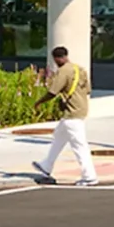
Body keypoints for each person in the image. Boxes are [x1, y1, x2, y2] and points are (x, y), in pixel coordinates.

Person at [32, 46, 98, 187]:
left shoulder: (63, 71)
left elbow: (52, 92)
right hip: (80, 110)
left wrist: (39, 102)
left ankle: (89, 176)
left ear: (56, 58)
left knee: (80, 146)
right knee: (58, 137)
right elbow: (87, 90)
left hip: (72, 113)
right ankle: (46, 165)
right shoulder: (80, 69)